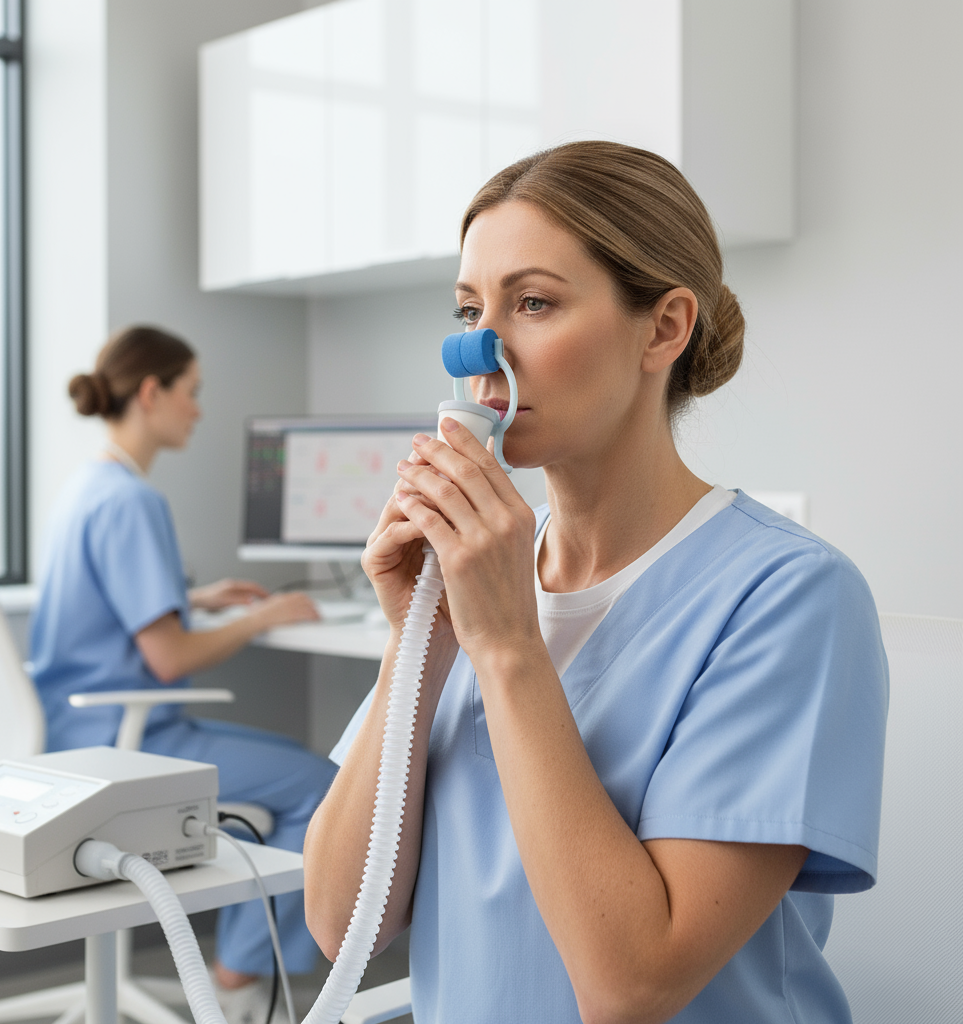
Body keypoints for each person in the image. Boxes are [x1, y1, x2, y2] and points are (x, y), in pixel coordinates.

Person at [303, 141, 889, 1023]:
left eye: (533, 302)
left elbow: (632, 988)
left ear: (664, 327)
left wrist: (504, 645)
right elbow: (339, 922)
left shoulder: (790, 597)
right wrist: (415, 648)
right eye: (470, 308)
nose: (479, 350)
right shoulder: (474, 582)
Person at [30, 325, 338, 1020]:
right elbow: (168, 657)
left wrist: (192, 598)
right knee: (324, 786)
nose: (199, 410)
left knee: (305, 775)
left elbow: (100, 605)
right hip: (126, 742)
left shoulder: (89, 486)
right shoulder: (134, 502)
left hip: (73, 732)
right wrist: (263, 617)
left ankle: (241, 968)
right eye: (191, 393)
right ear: (151, 392)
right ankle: (238, 981)